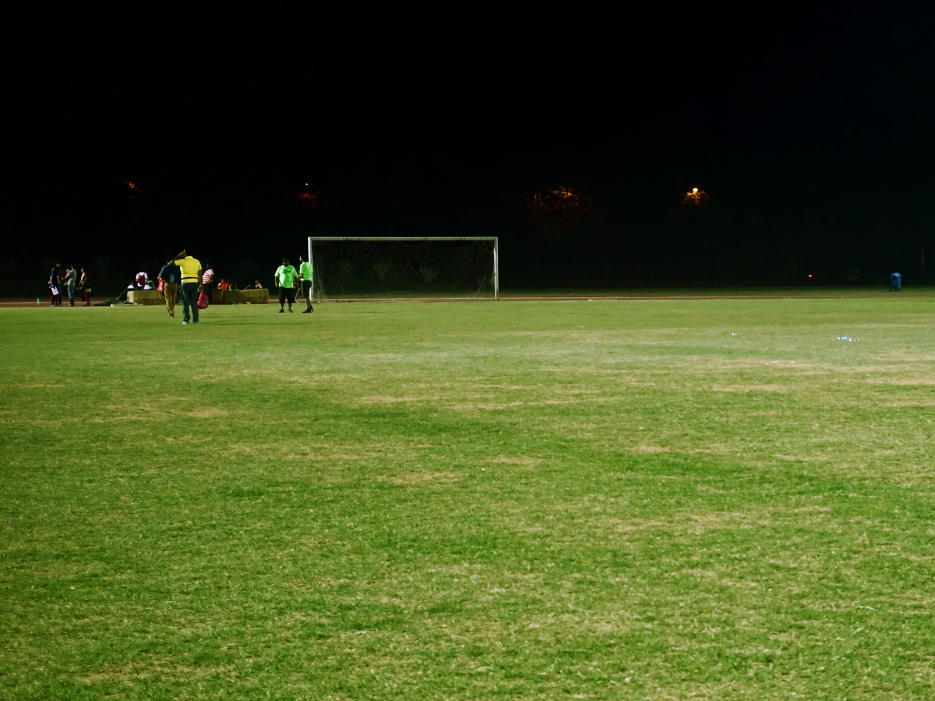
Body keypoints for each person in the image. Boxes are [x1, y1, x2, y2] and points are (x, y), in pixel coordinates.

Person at [173, 248, 203, 325]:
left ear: (185, 253)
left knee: (185, 302)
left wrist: (179, 255)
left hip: (185, 282)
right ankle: (195, 319)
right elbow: (200, 273)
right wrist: (201, 284)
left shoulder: (183, 261)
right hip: (194, 282)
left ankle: (186, 319)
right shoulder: (197, 261)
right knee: (194, 302)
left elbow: (171, 263)